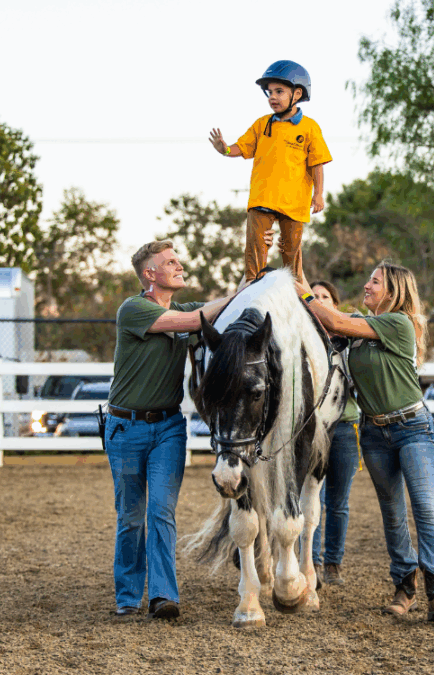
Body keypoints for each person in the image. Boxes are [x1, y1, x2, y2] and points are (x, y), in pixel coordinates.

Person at [297, 262, 434, 622]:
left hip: (413, 427)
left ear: (393, 291)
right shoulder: (361, 327)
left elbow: (335, 320)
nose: (367, 285)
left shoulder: (398, 322)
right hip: (374, 433)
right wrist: (296, 262)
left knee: (423, 506)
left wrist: (302, 290)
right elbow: (330, 318)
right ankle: (404, 587)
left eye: (375, 281)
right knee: (392, 512)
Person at [107, 240, 240, 620]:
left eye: (178, 260)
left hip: (167, 428)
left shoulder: (184, 310)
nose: (179, 266)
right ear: (150, 274)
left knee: (161, 513)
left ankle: (163, 596)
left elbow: (207, 322)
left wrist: (249, 282)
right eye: (170, 262)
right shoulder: (134, 309)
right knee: (131, 516)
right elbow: (192, 320)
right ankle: (128, 595)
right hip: (125, 428)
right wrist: (238, 290)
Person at [209, 60, 332, 281]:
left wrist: (319, 194)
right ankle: (251, 289)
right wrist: (225, 149)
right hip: (262, 197)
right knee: (255, 249)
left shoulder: (309, 127)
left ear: (297, 94)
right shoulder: (261, 124)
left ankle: (296, 294)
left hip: (294, 203)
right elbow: (242, 147)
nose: (272, 97)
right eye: (269, 92)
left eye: (279, 91)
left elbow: (317, 163)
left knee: (290, 253)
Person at [307, 280, 362, 587]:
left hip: (344, 427)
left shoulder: (351, 338)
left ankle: (333, 563)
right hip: (311, 429)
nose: (318, 299)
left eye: (324, 296)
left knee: (338, 500)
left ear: (334, 304)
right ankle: (311, 561)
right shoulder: (303, 338)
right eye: (313, 296)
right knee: (309, 495)